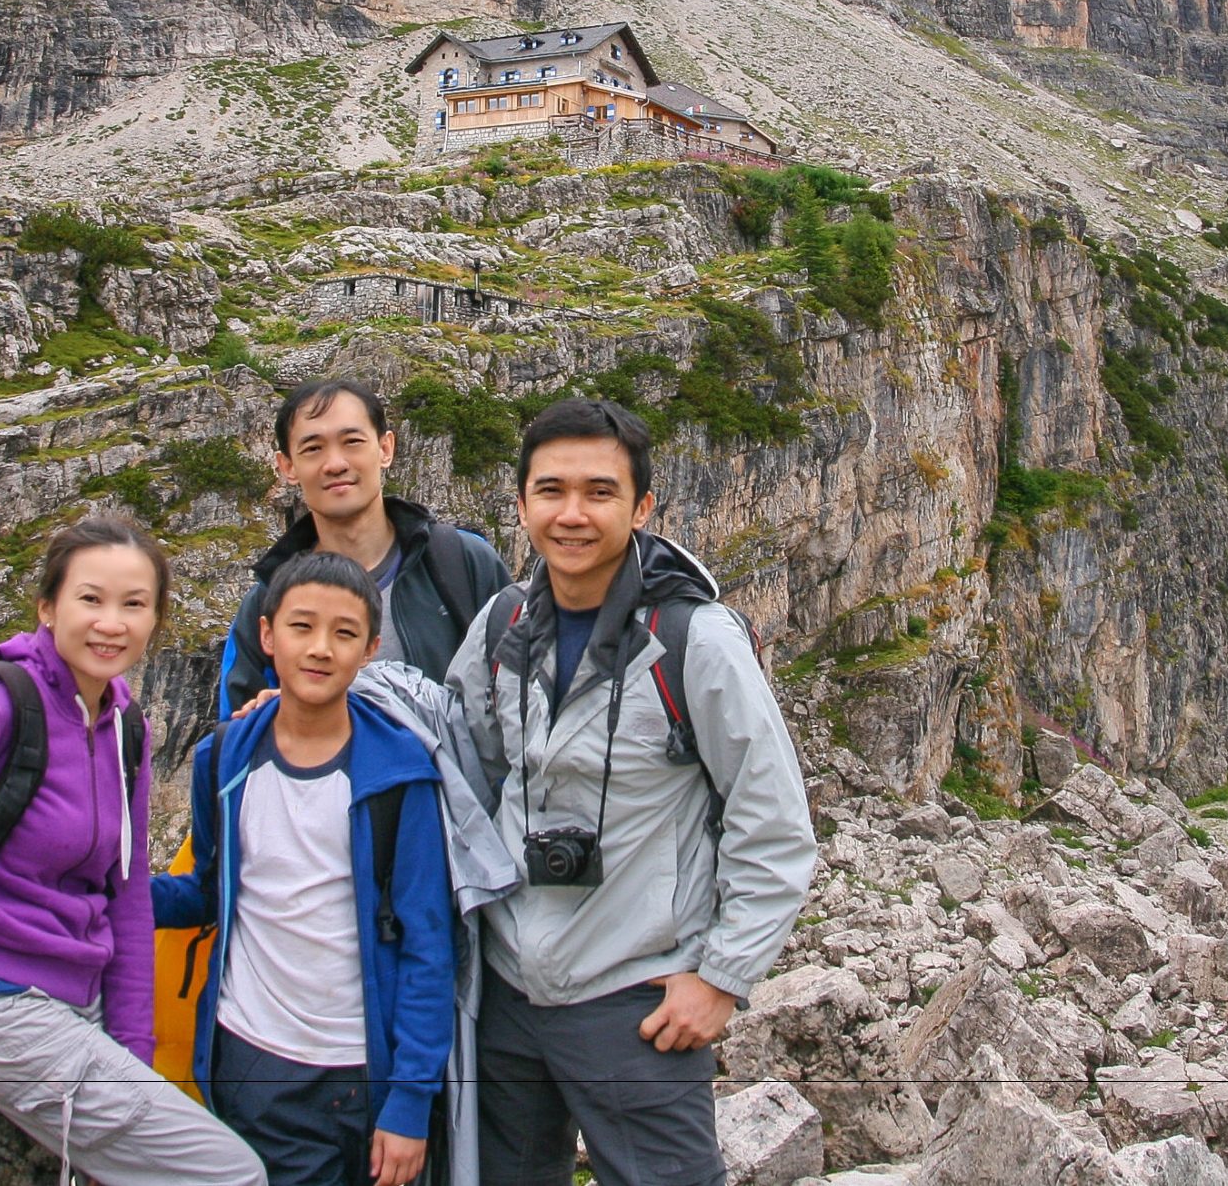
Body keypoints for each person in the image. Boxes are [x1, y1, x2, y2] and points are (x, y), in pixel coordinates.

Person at [444, 400, 817, 1186]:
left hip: (638, 998)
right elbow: (468, 773)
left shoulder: (695, 641)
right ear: (520, 504)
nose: (571, 513)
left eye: (599, 491)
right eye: (550, 490)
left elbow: (773, 821)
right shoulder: (499, 625)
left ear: (642, 506)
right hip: (508, 990)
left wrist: (721, 977)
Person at [0, 514, 264, 1186]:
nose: (110, 623)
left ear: (156, 619)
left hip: (76, 997)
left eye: (134, 604)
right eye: (90, 599)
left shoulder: (123, 725)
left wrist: (132, 1057)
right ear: (47, 606)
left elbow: (122, 900)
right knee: (230, 1173)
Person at [155, 552, 460, 1186]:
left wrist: (409, 1101)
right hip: (247, 1057)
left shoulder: (399, 775)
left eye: (344, 633)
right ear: (266, 635)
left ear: (370, 649)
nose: (321, 648)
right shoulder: (223, 759)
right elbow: (214, 891)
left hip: (354, 1072)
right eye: (301, 627)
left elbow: (428, 943)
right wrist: (112, 892)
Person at [218, 379, 508, 712]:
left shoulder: (463, 563)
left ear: (385, 449)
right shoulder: (267, 600)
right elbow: (235, 742)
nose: (335, 463)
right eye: (313, 448)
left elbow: (522, 697)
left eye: (352, 441)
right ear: (287, 467)